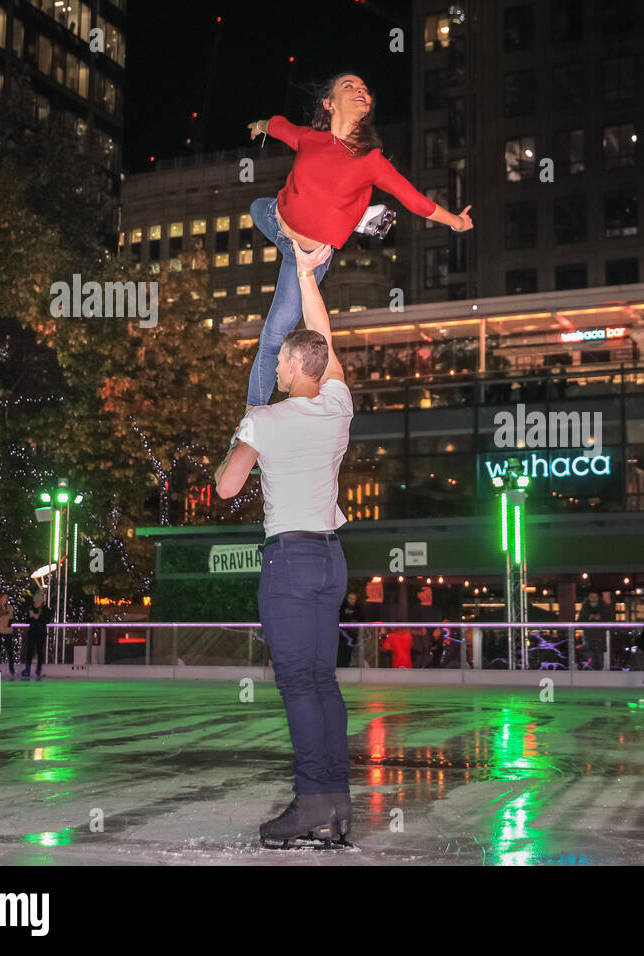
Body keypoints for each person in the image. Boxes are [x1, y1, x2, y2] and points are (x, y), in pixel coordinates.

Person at [214, 240, 354, 849]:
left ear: (297, 368)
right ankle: (336, 804)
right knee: (323, 682)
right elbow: (327, 343)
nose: (273, 372)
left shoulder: (266, 419)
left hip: (291, 563)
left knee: (298, 684)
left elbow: (225, 487)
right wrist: (305, 274)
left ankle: (310, 807)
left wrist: (244, 432)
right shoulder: (338, 406)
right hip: (331, 559)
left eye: (279, 366)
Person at [244, 72, 474, 411]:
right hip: (276, 220)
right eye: (349, 87)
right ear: (329, 103)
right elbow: (279, 125)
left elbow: (414, 200)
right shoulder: (309, 138)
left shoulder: (371, 161)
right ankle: (359, 217)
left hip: (305, 255)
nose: (360, 91)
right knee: (254, 206)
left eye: (365, 89)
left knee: (273, 338)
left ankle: (251, 421)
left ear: (367, 109)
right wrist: (261, 125)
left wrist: (456, 221)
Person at [576, 590, 612, 670]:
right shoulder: (584, 609)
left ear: (598, 598)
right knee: (591, 664)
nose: (594, 599)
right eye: (592, 597)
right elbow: (579, 623)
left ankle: (599, 681)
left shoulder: (604, 608)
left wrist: (600, 618)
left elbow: (609, 622)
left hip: (600, 641)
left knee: (600, 664)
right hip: (588, 641)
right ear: (589, 598)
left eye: (595, 597)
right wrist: (588, 617)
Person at [20, 591, 51, 680]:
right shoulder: (32, 609)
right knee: (30, 650)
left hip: (40, 633)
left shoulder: (45, 610)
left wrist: (36, 616)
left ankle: (38, 669)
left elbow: (46, 620)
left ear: (41, 602)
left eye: (37, 602)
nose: (35, 603)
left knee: (40, 651)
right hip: (32, 632)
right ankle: (28, 668)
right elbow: (27, 621)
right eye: (35, 602)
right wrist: (30, 616)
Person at [338, 591, 364, 667]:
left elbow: (361, 619)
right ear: (347, 599)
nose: (352, 601)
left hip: (352, 635)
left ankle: (346, 666)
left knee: (349, 652)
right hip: (342, 635)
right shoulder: (341, 608)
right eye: (351, 599)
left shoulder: (358, 609)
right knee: (341, 652)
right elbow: (338, 618)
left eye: (354, 599)